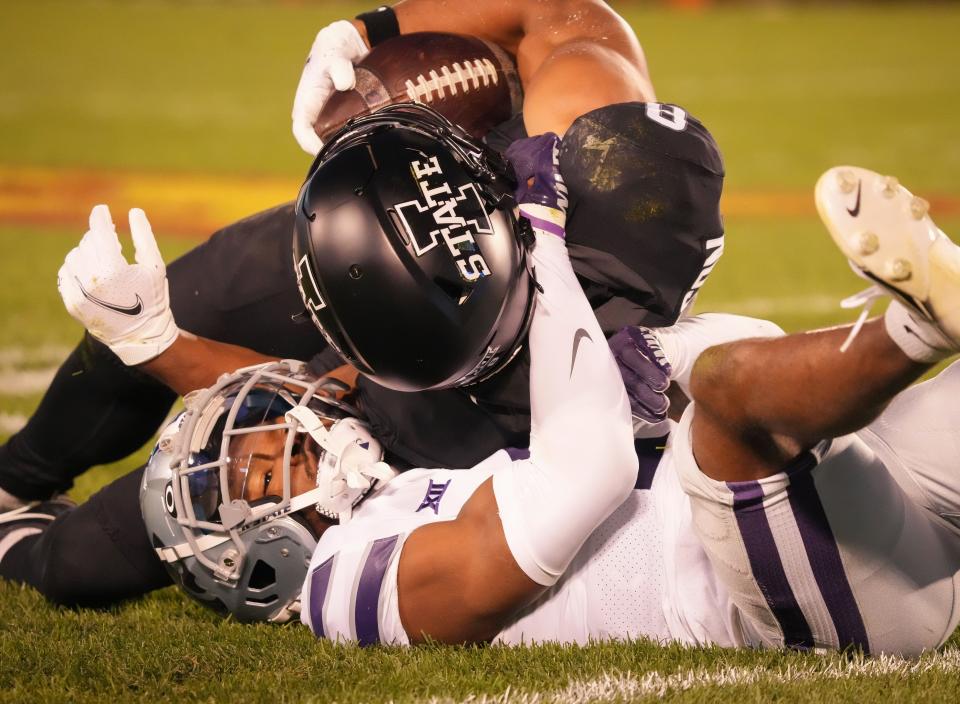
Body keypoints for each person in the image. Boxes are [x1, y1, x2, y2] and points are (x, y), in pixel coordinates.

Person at [4, 160, 960, 655]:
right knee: (722, 393)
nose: (298, 433)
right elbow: (585, 473)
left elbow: (294, 391)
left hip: (865, 519)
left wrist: (155, 342)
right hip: (806, 598)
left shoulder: (369, 498)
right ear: (247, 556)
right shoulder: (349, 592)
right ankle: (912, 330)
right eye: (264, 464)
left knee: (708, 372)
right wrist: (541, 249)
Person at [0, 0, 725, 508]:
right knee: (197, 290)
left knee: (131, 529)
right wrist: (362, 30)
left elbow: (324, 400)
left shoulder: (577, 210)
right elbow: (549, 7)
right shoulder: (568, 80)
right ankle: (19, 476)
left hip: (473, 357)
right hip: (407, 259)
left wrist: (155, 343)